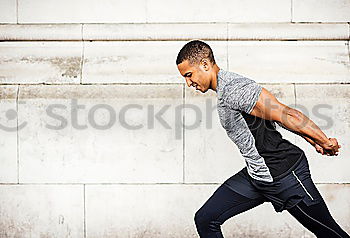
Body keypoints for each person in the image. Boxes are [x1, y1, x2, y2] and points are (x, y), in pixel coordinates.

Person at [176, 40, 349, 238]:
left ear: (205, 65)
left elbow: (286, 114)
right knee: (205, 219)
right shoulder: (224, 90)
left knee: (330, 233)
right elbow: (271, 118)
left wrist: (324, 140)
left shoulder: (234, 89)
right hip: (257, 176)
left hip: (285, 174)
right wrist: (313, 140)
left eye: (189, 75)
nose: (188, 83)